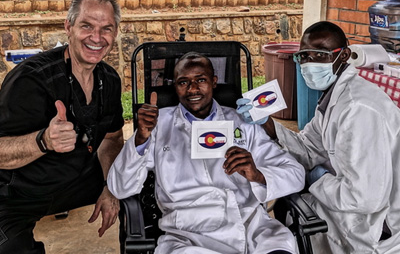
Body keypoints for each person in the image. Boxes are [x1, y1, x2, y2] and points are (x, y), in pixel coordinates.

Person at [108, 52, 305, 254]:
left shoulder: (242, 123)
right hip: (188, 234)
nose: (192, 89)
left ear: (214, 82)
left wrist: (258, 175)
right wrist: (140, 139)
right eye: (183, 82)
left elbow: (296, 174)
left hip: (251, 227)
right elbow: (120, 188)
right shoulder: (158, 125)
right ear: (175, 87)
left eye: (201, 80)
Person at [241, 21, 400, 253]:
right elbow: (308, 148)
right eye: (304, 56)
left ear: (344, 55)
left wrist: (317, 181)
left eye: (320, 55)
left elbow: (365, 198)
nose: (309, 63)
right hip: (355, 202)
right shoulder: (333, 98)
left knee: (297, 214)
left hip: (380, 224)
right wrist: (268, 124)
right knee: (293, 209)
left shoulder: (359, 109)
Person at [0, 0, 125, 253]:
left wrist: (110, 187)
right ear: (68, 26)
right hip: (17, 194)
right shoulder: (31, 80)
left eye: (106, 28)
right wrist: (43, 141)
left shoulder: (110, 80)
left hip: (76, 181)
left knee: (141, 184)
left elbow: (112, 139)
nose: (97, 37)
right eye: (87, 26)